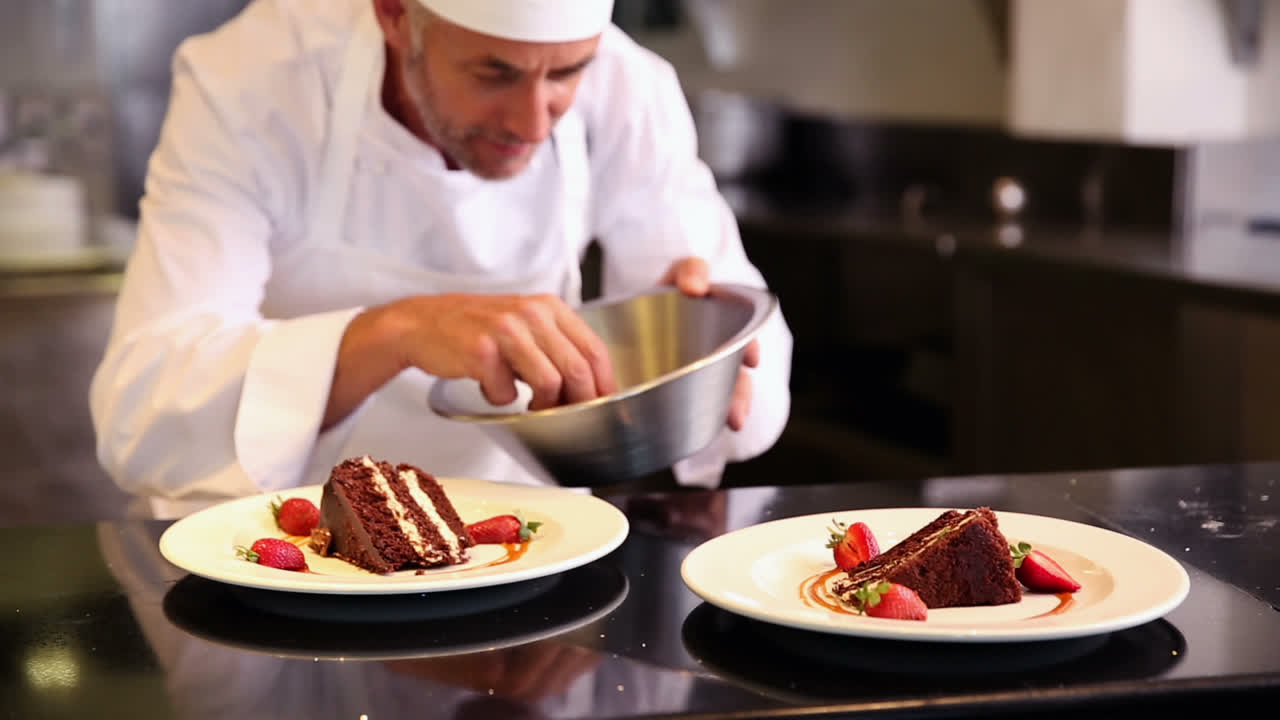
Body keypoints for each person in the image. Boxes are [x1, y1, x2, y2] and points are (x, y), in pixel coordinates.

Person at [89, 0, 794, 519]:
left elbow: (753, 379)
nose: (533, 121)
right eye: (494, 72)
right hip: (276, 552)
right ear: (395, 15)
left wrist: (704, 357)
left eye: (567, 73)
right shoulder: (250, 85)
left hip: (521, 546)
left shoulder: (629, 86)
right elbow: (140, 416)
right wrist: (393, 334)